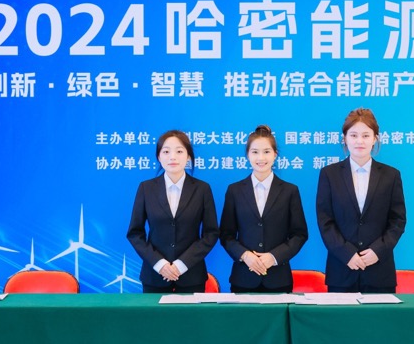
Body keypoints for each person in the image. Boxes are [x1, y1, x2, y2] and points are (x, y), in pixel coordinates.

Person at [316, 108, 406, 293]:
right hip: (341, 270)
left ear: (375, 139)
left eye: (366, 135)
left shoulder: (391, 175)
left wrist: (377, 251)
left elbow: (397, 221)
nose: (359, 141)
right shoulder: (329, 174)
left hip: (379, 272)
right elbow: (325, 221)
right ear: (345, 138)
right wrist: (347, 254)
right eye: (354, 135)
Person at [127, 130, 219, 293]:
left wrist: (181, 264)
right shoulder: (146, 188)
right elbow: (135, 233)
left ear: (188, 156)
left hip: (191, 276)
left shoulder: (202, 189)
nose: (172, 157)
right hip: (155, 276)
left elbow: (210, 234)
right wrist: (160, 264)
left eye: (179, 151)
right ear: (158, 156)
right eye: (166, 152)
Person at [219, 125, 308, 292]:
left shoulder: (289, 191)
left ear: (275, 154)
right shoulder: (234, 191)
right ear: (248, 155)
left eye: (266, 152)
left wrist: (274, 257)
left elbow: (299, 234)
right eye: (255, 152)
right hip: (243, 278)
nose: (261, 158)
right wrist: (245, 256)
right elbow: (226, 235)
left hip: (278, 279)